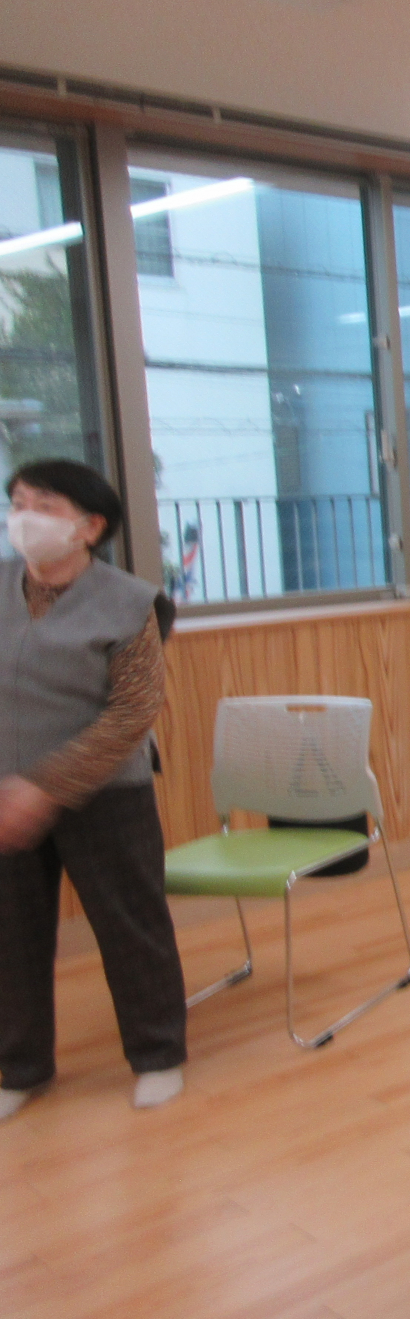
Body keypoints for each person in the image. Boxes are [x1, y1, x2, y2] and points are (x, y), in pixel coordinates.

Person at [0, 459, 184, 1122]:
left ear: (89, 526)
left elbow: (132, 712)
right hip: (5, 793)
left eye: (43, 505)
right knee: (11, 937)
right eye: (18, 502)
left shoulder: (130, 602)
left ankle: (158, 1056)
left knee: (130, 926)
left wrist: (44, 788)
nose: (25, 516)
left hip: (107, 794)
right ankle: (21, 1066)